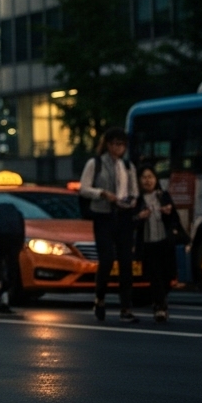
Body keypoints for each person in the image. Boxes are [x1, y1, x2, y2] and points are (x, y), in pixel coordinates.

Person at [78, 127, 140, 323]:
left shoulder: (128, 166)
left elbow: (135, 191)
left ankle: (126, 307)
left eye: (121, 144)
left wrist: (132, 201)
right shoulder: (95, 163)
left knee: (126, 262)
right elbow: (84, 188)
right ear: (107, 144)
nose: (117, 148)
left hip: (123, 215)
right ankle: (100, 298)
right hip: (103, 215)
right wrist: (102, 193)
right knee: (106, 259)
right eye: (114, 144)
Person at [136, 164, 180, 323]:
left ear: (156, 180)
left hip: (164, 241)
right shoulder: (137, 199)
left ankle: (160, 302)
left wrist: (168, 212)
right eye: (144, 177)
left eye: (150, 177)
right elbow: (131, 221)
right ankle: (160, 307)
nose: (147, 181)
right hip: (148, 242)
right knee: (155, 276)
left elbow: (174, 218)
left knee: (167, 275)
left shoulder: (163, 195)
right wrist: (140, 216)